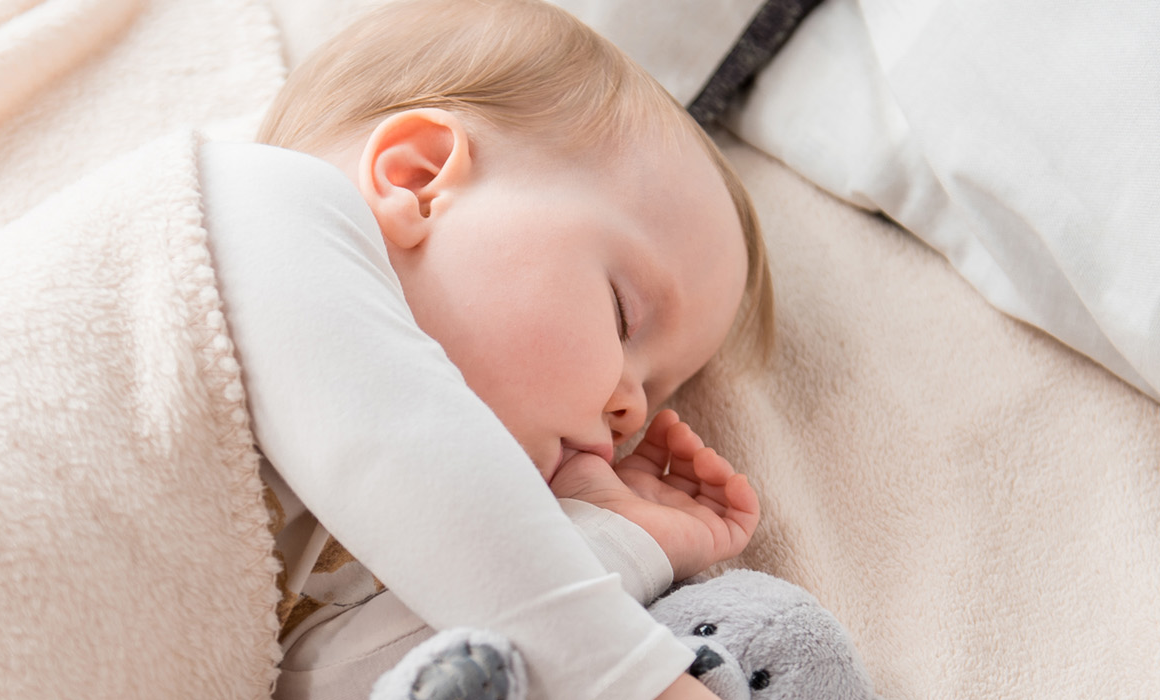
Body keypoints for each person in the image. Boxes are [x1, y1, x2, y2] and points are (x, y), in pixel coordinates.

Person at [197, 1, 775, 699]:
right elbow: (399, 440)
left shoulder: (363, 536)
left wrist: (608, 538)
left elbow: (365, 680)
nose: (632, 412)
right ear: (418, 179)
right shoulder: (255, 208)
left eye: (656, 394)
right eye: (624, 317)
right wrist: (637, 680)